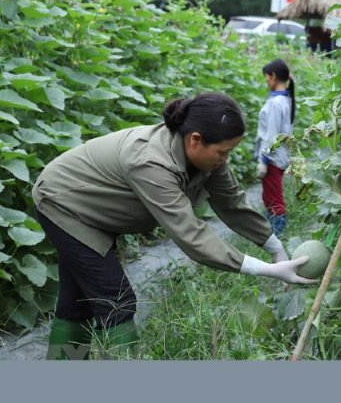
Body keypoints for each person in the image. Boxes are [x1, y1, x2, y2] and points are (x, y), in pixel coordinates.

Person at [32, 92, 316, 361]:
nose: (224, 159)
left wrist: (276, 250)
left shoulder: (207, 159)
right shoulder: (151, 161)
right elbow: (190, 235)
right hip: (65, 205)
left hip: (94, 208)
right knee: (116, 302)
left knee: (76, 303)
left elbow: (232, 204)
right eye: (222, 151)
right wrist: (266, 270)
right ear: (195, 139)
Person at [254, 59, 295, 237]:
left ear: (274, 77)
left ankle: (276, 235)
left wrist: (263, 160)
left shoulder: (276, 103)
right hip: (280, 156)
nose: (266, 81)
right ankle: (269, 231)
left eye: (267, 78)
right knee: (270, 196)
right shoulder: (286, 100)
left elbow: (272, 135)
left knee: (274, 199)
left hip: (272, 158)